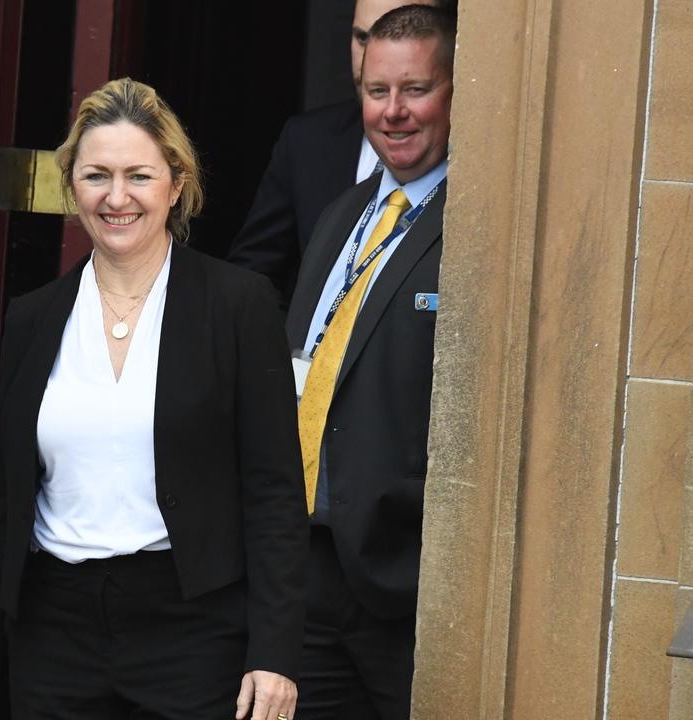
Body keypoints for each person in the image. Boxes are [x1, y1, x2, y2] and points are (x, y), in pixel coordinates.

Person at [0, 78, 307, 720]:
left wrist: (274, 652)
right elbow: (1, 504)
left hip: (192, 631)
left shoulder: (238, 305)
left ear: (176, 181)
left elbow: (275, 492)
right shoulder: (32, 317)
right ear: (71, 186)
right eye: (96, 176)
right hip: (53, 633)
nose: (117, 198)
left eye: (138, 175)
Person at [285, 5, 455, 717]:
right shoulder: (339, 216)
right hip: (306, 573)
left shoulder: (476, 221)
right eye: (376, 92)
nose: (394, 112)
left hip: (406, 587)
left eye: (415, 89)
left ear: (456, 90)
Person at [228, 0, 452, 308]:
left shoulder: (470, 189)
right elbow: (252, 275)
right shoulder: (309, 146)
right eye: (363, 37)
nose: (376, 52)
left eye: (415, 88)